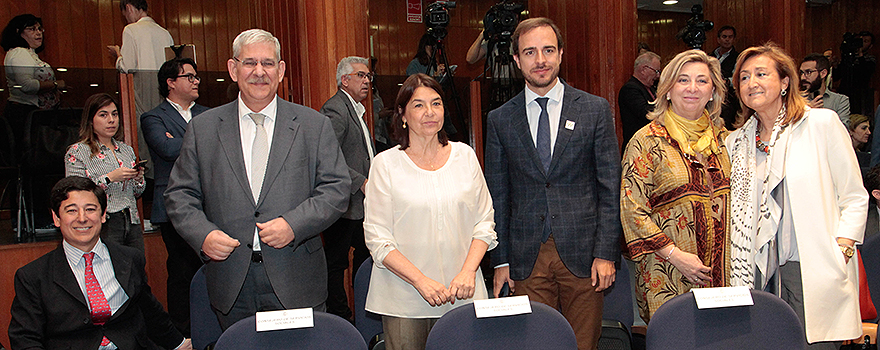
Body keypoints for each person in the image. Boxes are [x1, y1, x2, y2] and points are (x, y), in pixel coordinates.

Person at [164, 29, 350, 330]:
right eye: (249, 63)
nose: (259, 72)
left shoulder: (313, 125)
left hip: (296, 276)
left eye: (268, 63)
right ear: (233, 69)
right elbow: (179, 195)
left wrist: (294, 224)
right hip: (231, 281)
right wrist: (204, 236)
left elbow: (337, 189)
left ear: (281, 70)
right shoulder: (204, 128)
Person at [485, 17, 621, 349]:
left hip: (585, 255)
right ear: (517, 60)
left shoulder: (594, 110)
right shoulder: (500, 118)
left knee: (584, 343)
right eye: (529, 52)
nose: (540, 60)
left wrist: (606, 253)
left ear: (560, 54)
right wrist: (500, 260)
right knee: (535, 343)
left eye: (548, 50)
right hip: (526, 256)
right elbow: (497, 195)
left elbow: (610, 187)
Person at [727, 43, 866, 348]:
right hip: (757, 271)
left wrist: (842, 246)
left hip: (811, 266)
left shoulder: (821, 124)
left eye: (761, 74)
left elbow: (854, 195)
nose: (752, 83)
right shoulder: (735, 143)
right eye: (744, 77)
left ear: (785, 81)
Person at [364, 73, 497, 350]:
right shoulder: (385, 165)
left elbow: (484, 223)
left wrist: (468, 272)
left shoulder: (465, 156)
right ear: (402, 114)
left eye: (436, 104)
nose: (429, 113)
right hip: (405, 298)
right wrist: (421, 281)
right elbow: (378, 238)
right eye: (418, 105)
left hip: (463, 293)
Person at [8, 176, 191, 350]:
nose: (82, 218)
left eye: (90, 209)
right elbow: (25, 338)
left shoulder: (130, 259)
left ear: (103, 215)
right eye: (71, 210)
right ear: (57, 218)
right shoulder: (33, 276)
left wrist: (179, 344)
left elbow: (151, 313)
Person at [620, 49, 731, 322]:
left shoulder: (729, 141)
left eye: (702, 81)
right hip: (667, 272)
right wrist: (674, 254)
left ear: (713, 91)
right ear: (667, 89)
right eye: (683, 80)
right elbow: (631, 209)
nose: (693, 88)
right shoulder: (646, 141)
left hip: (726, 276)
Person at [140, 57, 209, 337]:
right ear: (171, 83)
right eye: (189, 77)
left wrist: (181, 140)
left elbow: (223, 147)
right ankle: (183, 334)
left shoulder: (208, 113)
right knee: (182, 272)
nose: (196, 81)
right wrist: (203, 139)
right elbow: (166, 149)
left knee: (211, 272)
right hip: (172, 207)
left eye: (196, 77)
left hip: (209, 205)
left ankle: (209, 329)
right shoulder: (153, 117)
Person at [318, 56, 375, 322]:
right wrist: (361, 181)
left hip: (361, 205)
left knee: (366, 261)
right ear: (345, 80)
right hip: (343, 204)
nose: (366, 81)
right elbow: (329, 155)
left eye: (368, 76)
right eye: (361, 76)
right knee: (335, 264)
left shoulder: (358, 109)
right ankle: (341, 318)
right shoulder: (336, 109)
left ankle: (364, 314)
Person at [65, 93, 146, 252]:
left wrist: (138, 179)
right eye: (103, 115)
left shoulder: (126, 150)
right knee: (109, 271)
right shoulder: (78, 152)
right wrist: (109, 178)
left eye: (114, 114)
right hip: (103, 221)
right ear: (90, 120)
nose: (111, 120)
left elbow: (137, 192)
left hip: (131, 219)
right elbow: (75, 193)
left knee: (137, 269)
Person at [107, 0, 174, 179]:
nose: (126, 18)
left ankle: (144, 178)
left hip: (139, 92)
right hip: (163, 93)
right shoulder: (164, 33)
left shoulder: (131, 30)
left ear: (129, 7)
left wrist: (118, 55)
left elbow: (127, 66)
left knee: (141, 138)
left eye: (125, 14)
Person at [2, 14, 64, 159]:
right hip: (25, 115)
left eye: (39, 29)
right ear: (18, 32)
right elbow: (27, 85)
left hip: (36, 116)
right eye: (32, 29)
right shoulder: (19, 52)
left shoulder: (30, 54)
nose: (38, 33)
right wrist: (55, 85)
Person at [619, 51, 661, 147]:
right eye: (656, 71)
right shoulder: (630, 89)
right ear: (644, 69)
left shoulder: (651, 88)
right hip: (638, 147)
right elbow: (646, 113)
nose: (658, 76)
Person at [800, 53, 850, 125]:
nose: (803, 77)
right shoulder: (795, 100)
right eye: (802, 73)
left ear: (823, 73)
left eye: (808, 72)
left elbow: (842, 131)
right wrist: (807, 111)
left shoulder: (839, 101)